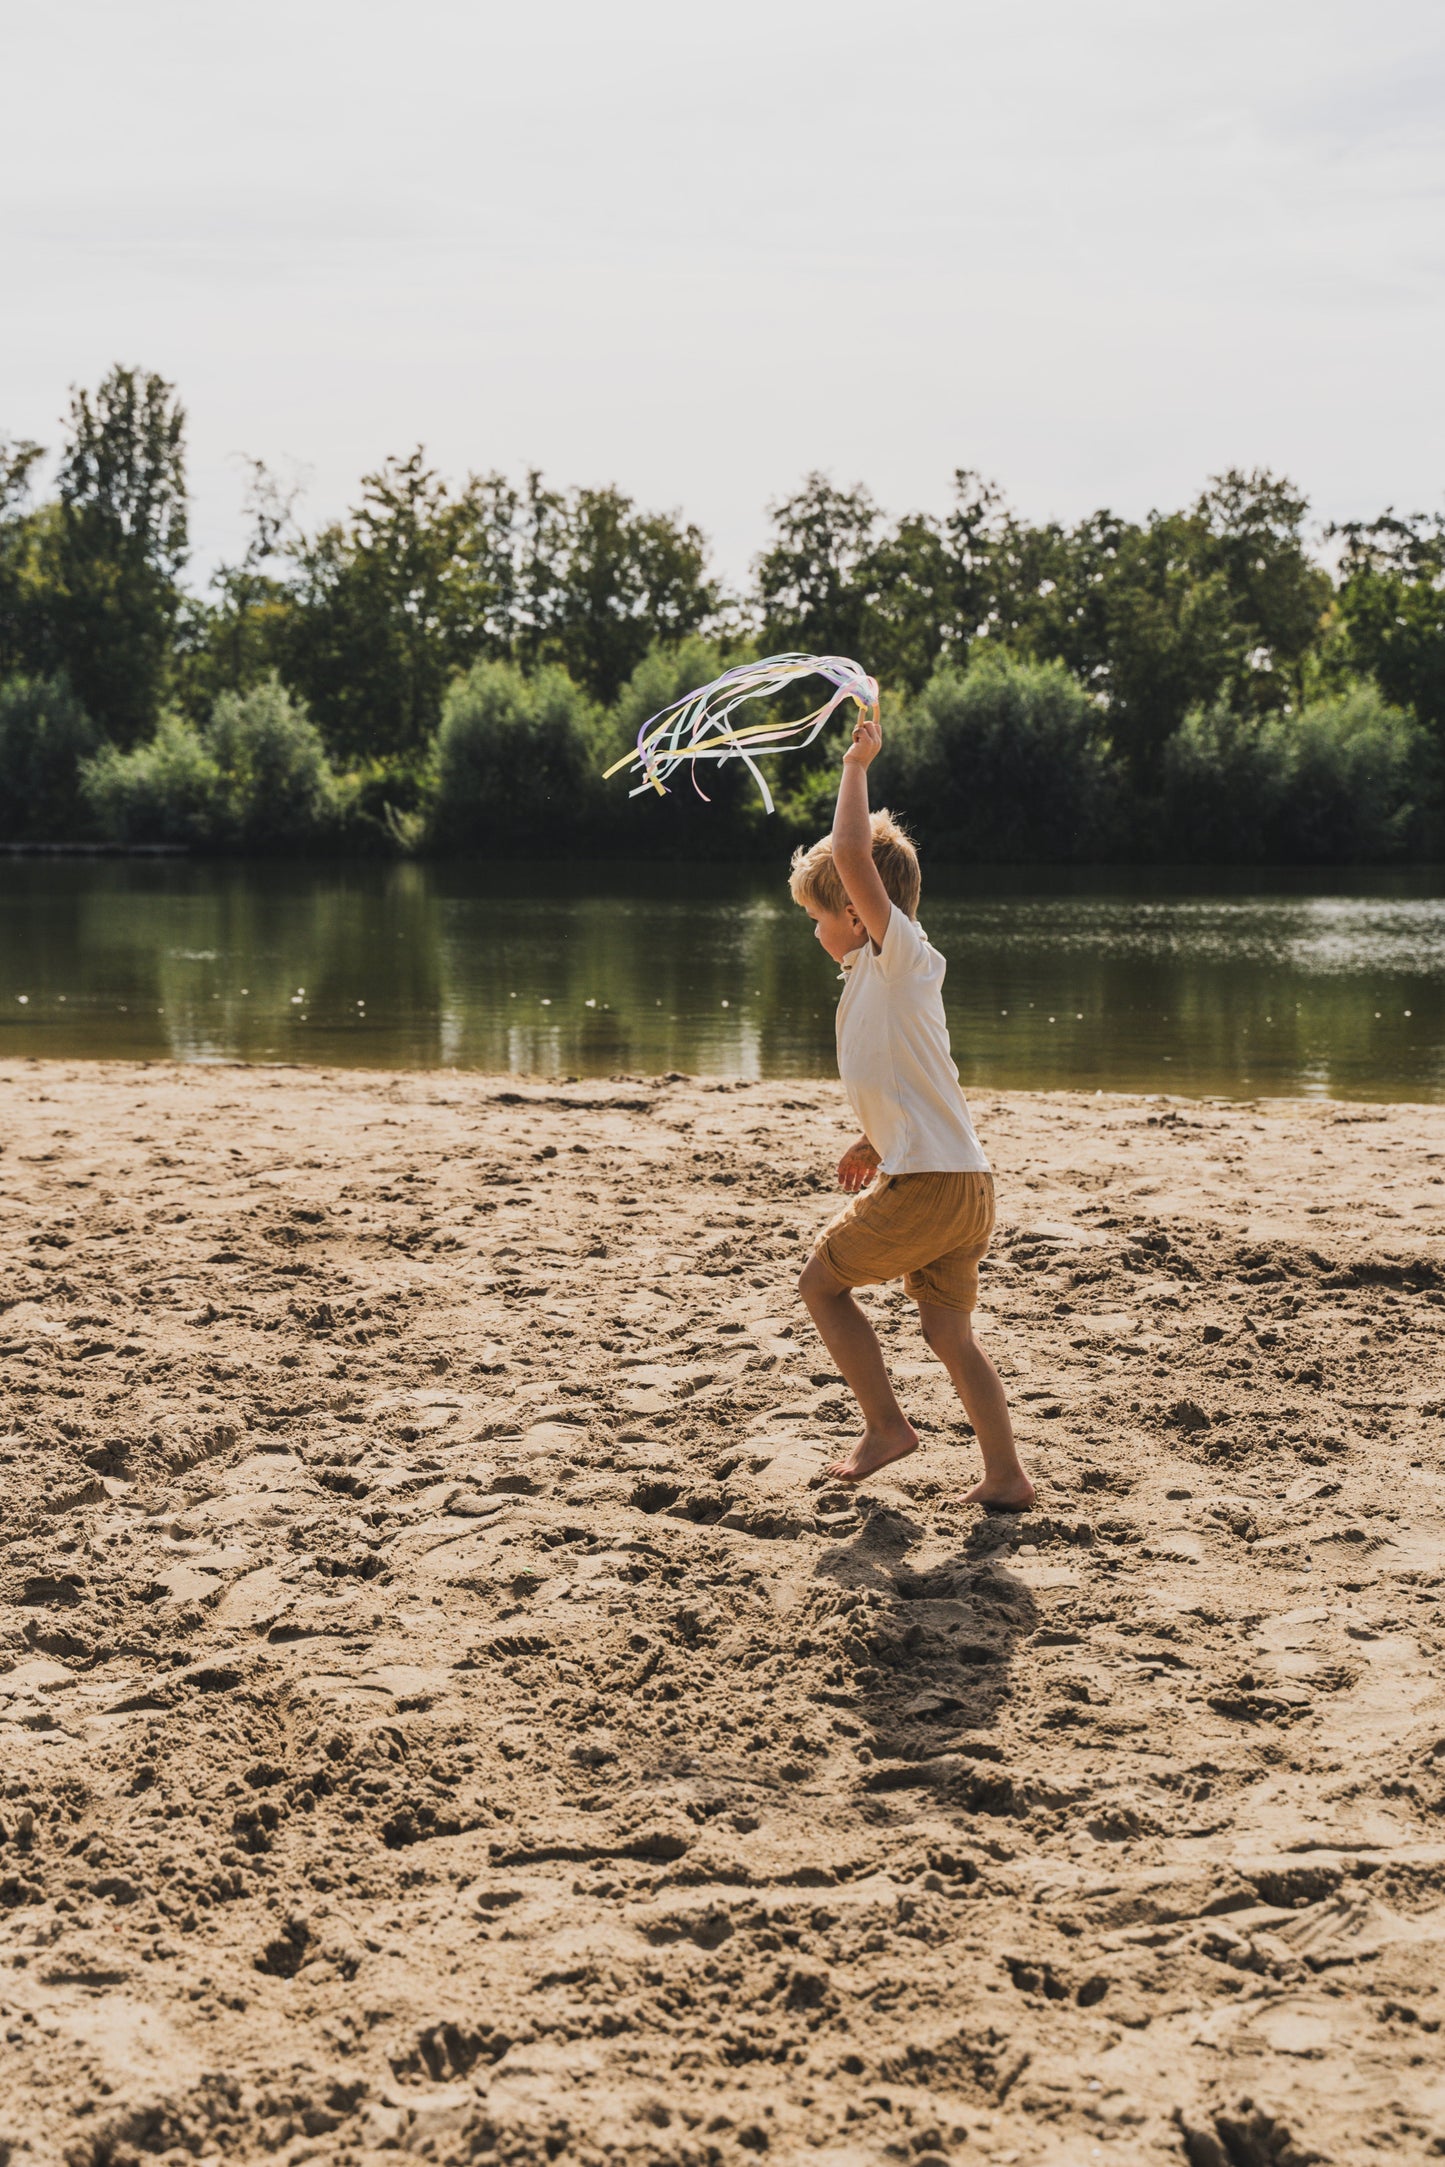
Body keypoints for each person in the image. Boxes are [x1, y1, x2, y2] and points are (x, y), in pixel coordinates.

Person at [790, 705, 1034, 1510]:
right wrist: (871, 1138)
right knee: (947, 1334)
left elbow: (854, 851)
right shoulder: (872, 979)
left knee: (821, 1285)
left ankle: (886, 1425)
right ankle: (1005, 1476)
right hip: (960, 1181)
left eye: (820, 916)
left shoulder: (900, 956)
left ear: (860, 913)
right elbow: (903, 1079)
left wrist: (856, 765)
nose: (817, 929)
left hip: (932, 1186)